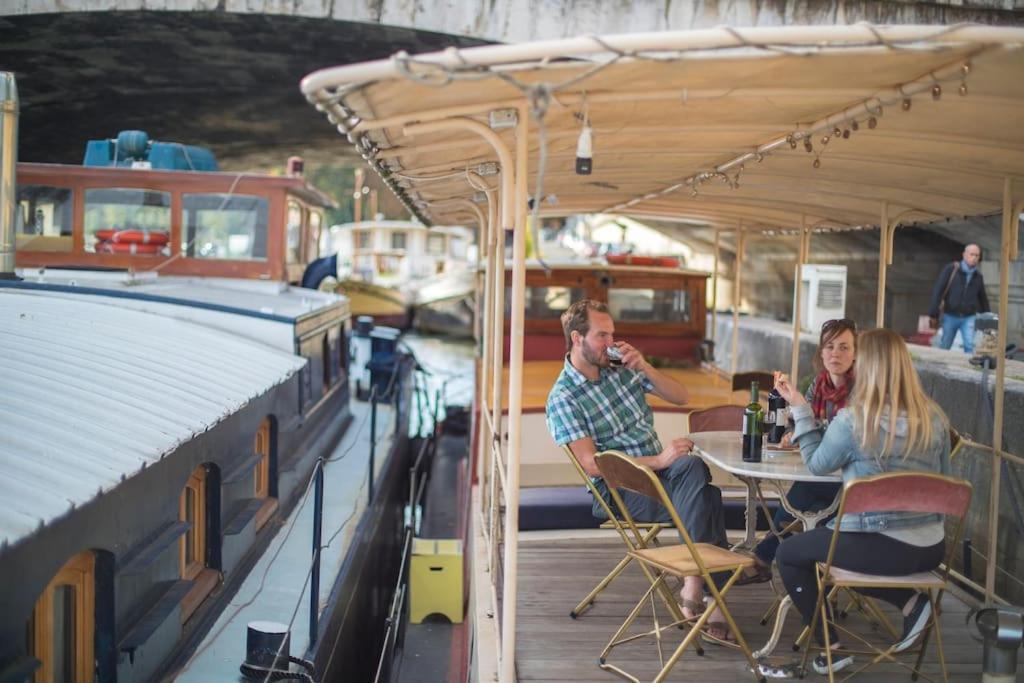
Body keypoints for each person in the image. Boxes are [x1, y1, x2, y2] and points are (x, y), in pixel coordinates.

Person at [545, 299, 732, 642]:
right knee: (705, 495)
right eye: (602, 335)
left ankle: (693, 582)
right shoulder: (564, 397)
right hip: (619, 487)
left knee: (692, 468)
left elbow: (679, 395)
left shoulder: (623, 368)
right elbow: (592, 464)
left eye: (613, 334)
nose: (612, 343)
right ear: (577, 338)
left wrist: (644, 366)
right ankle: (710, 596)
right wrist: (660, 461)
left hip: (662, 477)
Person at [770, 329, 951, 677]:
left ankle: (829, 648)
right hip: (931, 546)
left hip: (881, 546)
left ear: (867, 367)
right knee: (830, 541)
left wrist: (802, 410)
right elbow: (943, 482)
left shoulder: (854, 421)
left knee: (790, 553)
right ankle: (913, 602)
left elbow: (818, 465)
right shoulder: (936, 420)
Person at [741, 318, 855, 583]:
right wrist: (793, 434)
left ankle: (765, 558)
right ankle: (804, 571)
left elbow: (843, 437)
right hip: (823, 471)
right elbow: (802, 422)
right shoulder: (818, 385)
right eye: (829, 346)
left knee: (803, 497)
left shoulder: (862, 390)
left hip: (850, 477)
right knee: (808, 502)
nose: (835, 353)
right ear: (821, 352)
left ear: (855, 353)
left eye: (844, 347)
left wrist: (807, 432)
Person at [928, 243, 989, 353]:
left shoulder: (978, 276)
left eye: (977, 255)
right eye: (972, 254)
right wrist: (933, 312)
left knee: (970, 345)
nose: (974, 258)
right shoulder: (951, 269)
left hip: (969, 317)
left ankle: (970, 370)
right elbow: (938, 290)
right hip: (950, 315)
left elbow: (982, 298)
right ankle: (940, 368)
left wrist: (988, 316)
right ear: (964, 255)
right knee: (945, 344)